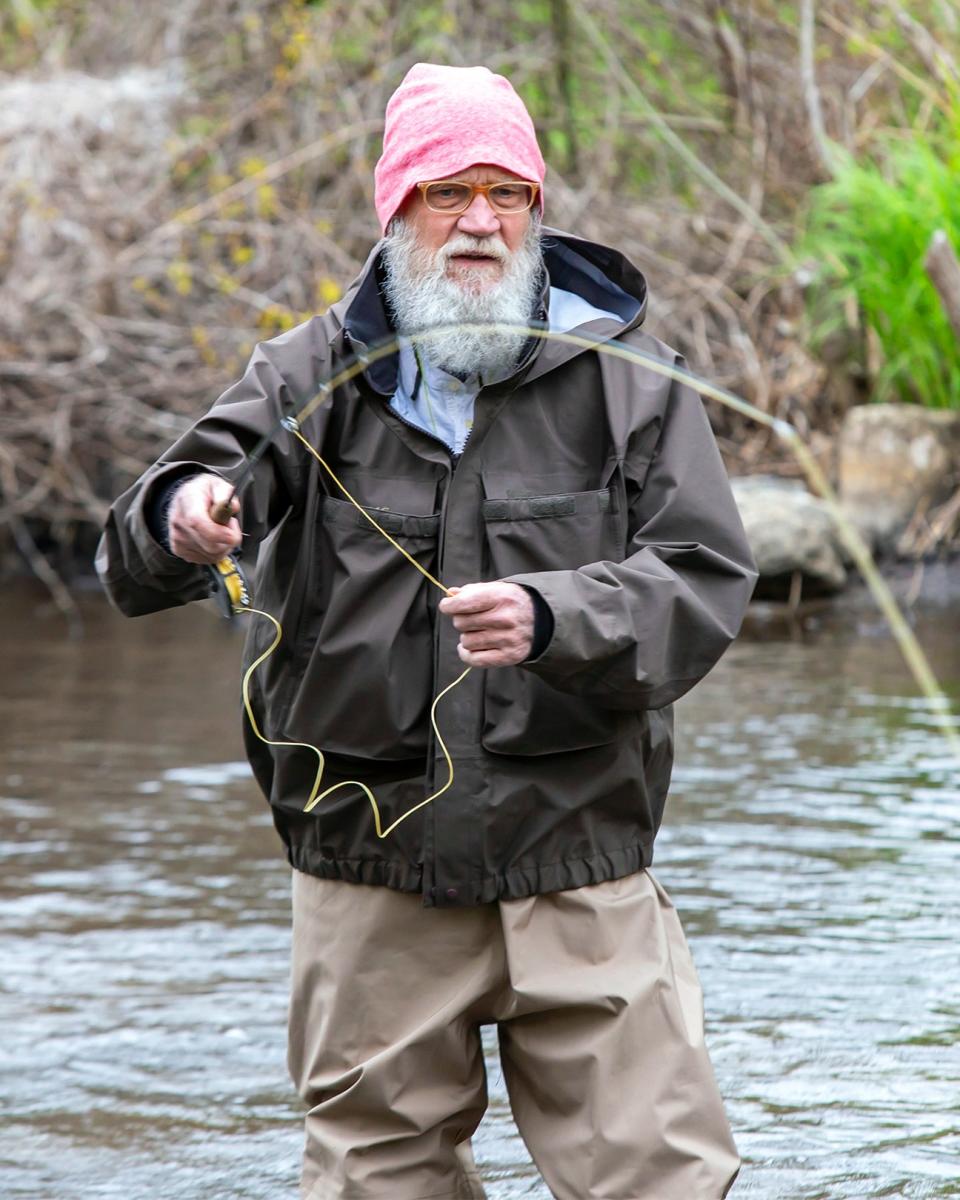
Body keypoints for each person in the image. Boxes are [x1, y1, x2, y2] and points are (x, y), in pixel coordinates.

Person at [98, 62, 756, 1200]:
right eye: (450, 193)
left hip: (581, 849)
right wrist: (183, 511)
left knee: (663, 1177)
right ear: (395, 206)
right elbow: (143, 540)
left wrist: (559, 615)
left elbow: (703, 581)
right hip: (369, 864)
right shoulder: (303, 372)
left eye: (507, 193)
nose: (481, 222)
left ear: (538, 214)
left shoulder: (632, 382)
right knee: (376, 1180)